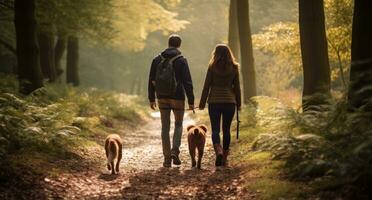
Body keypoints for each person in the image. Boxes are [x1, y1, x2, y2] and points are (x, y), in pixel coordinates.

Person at [148, 34, 195, 168]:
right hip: (178, 97)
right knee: (179, 124)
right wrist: (191, 100)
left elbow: (151, 80)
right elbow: (187, 82)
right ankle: (175, 150)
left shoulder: (156, 59)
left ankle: (167, 158)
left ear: (168, 43)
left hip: (162, 96)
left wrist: (151, 98)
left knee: (165, 127)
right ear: (179, 45)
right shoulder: (181, 60)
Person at [199, 44, 241, 167]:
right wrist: (238, 103)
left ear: (216, 54)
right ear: (229, 53)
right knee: (226, 129)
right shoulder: (234, 67)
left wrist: (201, 103)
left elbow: (207, 86)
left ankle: (219, 151)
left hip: (214, 102)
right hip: (229, 102)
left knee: (215, 129)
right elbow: (237, 88)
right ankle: (225, 158)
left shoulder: (212, 67)